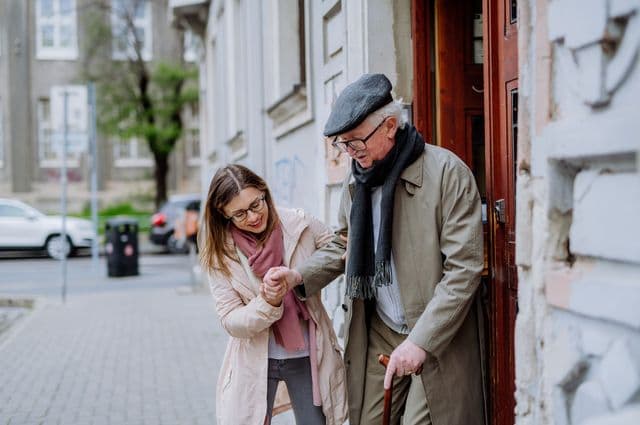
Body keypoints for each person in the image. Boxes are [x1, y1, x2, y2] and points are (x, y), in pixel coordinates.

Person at [264, 74, 486, 425]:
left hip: (433, 330)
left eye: (356, 142)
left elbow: (464, 269)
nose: (350, 153)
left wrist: (421, 342)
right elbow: (343, 242)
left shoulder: (447, 173)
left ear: (390, 127)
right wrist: (298, 275)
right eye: (343, 145)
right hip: (381, 328)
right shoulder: (358, 182)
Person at [199, 164, 348, 425]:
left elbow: (338, 251)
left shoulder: (300, 225)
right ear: (224, 216)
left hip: (308, 354)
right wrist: (268, 302)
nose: (253, 216)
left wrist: (299, 275)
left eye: (256, 204)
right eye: (240, 214)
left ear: (264, 192)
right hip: (254, 361)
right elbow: (230, 320)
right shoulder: (221, 254)